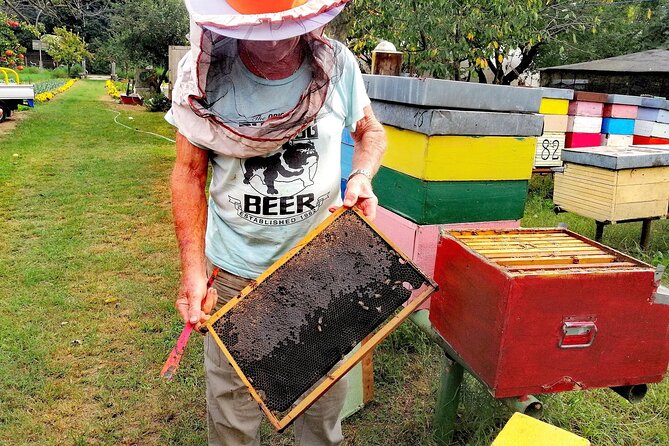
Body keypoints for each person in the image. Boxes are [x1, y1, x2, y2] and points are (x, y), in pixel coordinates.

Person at [166, 0, 386, 444]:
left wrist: (361, 176)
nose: (272, 41)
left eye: (284, 27)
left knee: (321, 408)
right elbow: (189, 173)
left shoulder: (338, 64)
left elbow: (370, 132)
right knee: (232, 416)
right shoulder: (202, 73)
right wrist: (192, 272)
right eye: (257, 29)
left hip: (319, 269)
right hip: (234, 275)